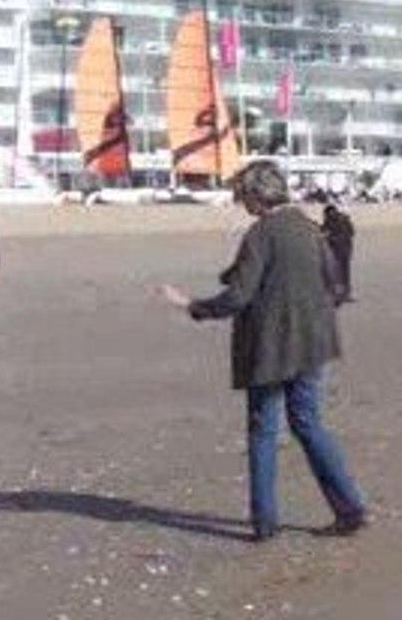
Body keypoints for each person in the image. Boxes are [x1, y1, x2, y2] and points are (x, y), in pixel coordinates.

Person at [162, 161, 364, 542]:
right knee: (307, 423)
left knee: (263, 430)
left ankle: (264, 521)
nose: (242, 203)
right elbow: (333, 285)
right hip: (312, 342)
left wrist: (192, 305)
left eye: (243, 196)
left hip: (271, 347)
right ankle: (349, 507)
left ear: (257, 195)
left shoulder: (261, 233)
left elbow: (239, 296)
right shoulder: (309, 227)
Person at [322, 204, 355, 302]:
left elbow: (348, 233)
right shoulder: (342, 219)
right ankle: (344, 294)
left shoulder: (337, 220)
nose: (327, 217)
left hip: (339, 250)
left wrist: (330, 237)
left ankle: (341, 295)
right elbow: (351, 233)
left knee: (339, 273)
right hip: (344, 249)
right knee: (343, 273)